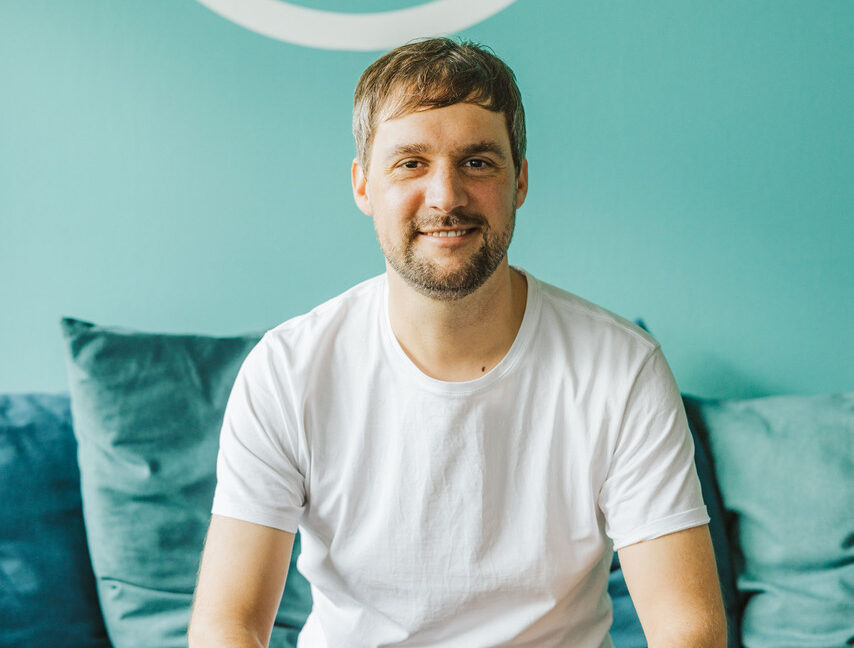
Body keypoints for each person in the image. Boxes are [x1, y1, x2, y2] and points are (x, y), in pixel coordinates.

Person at [189, 38, 726, 647]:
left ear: (519, 180)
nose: (446, 196)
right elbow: (227, 624)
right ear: (363, 186)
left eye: (477, 162)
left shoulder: (622, 368)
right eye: (410, 163)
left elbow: (688, 630)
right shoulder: (287, 370)